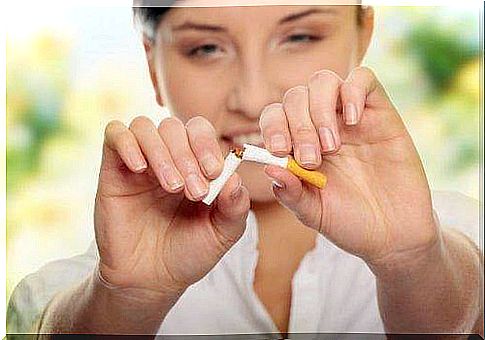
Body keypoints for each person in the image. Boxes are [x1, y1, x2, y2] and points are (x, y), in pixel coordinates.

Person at [7, 1, 483, 337]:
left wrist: (414, 263)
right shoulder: (80, 292)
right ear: (153, 64)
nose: (253, 98)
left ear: (363, 36)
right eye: (206, 49)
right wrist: (126, 300)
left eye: (299, 36)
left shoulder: (459, 236)